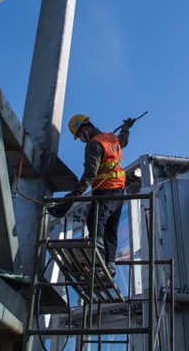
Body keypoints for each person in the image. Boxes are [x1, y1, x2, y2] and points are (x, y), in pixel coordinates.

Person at [67, 114, 135, 278]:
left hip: (106, 189)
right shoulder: (111, 139)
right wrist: (126, 129)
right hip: (119, 190)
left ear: (84, 129)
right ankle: (109, 265)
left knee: (95, 218)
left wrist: (76, 193)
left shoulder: (93, 144)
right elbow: (123, 141)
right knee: (110, 228)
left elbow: (90, 173)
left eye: (79, 136)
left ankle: (97, 256)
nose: (81, 139)